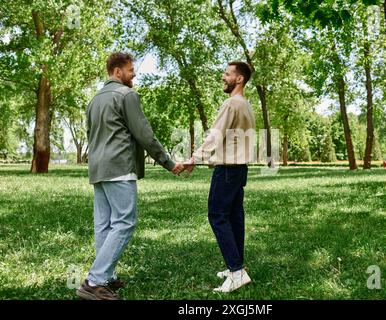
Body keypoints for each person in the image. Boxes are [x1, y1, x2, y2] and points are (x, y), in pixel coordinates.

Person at [76, 52, 185, 300]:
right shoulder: (127, 95)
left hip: (98, 169)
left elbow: (92, 135)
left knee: (104, 225)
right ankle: (94, 281)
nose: (134, 74)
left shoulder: (94, 100)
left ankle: (107, 277)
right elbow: (144, 134)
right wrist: (168, 162)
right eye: (130, 69)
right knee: (124, 223)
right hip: (119, 167)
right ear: (117, 72)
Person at [184, 61, 256, 293]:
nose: (223, 77)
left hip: (226, 170)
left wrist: (194, 158)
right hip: (240, 169)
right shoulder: (245, 105)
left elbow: (215, 136)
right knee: (235, 217)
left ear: (240, 79)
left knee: (217, 216)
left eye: (227, 74)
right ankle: (237, 267)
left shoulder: (231, 104)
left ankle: (236, 272)